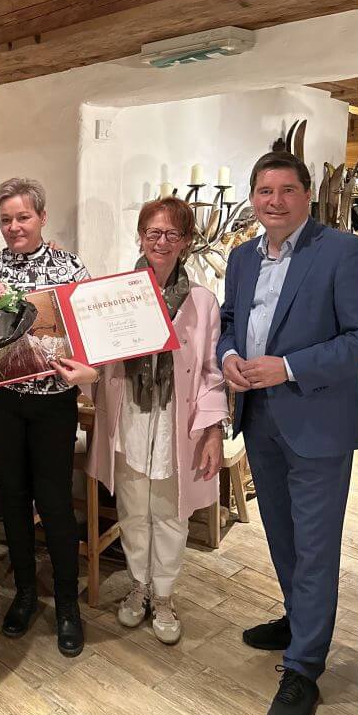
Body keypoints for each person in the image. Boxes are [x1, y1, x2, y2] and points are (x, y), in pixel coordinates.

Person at [218, 150, 358, 715]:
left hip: (317, 422)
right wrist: (229, 356)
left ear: (307, 195)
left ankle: (304, 667)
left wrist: (288, 367)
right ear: (252, 198)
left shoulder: (343, 252)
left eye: (287, 190)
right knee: (281, 534)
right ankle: (298, 620)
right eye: (265, 191)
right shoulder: (241, 257)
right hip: (259, 418)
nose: (275, 201)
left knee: (315, 545)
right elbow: (230, 321)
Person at [54, 198, 227, 645]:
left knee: (169, 511)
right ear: (141, 238)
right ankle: (138, 585)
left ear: (186, 242)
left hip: (176, 420)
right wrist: (89, 375)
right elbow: (100, 358)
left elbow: (211, 372)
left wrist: (213, 429)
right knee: (133, 509)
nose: (161, 242)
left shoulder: (202, 301)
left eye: (172, 234)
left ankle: (164, 595)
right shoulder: (118, 294)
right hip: (128, 414)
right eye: (153, 233)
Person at [0, 177, 89, 656]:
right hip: (2, 401)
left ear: (42, 217)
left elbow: (87, 333)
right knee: (15, 497)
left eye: (23, 217)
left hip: (53, 402)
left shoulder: (70, 267)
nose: (14, 226)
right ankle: (24, 592)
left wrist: (86, 366)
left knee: (56, 501)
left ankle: (67, 603)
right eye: (6, 219)